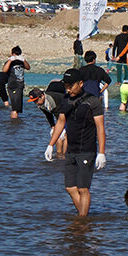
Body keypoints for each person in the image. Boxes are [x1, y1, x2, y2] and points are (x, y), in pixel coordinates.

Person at [44, 68, 106, 216]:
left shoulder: (93, 101)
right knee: (70, 187)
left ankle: (82, 221)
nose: (68, 89)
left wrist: (102, 153)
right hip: (70, 150)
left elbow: (100, 128)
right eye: (66, 86)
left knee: (83, 188)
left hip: (87, 150)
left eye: (71, 86)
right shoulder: (65, 100)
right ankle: (84, 218)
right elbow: (60, 122)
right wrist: (50, 145)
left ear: (80, 83)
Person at [28, 80, 68, 154]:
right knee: (55, 133)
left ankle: (64, 155)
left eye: (36, 100)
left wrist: (60, 128)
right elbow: (48, 114)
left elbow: (59, 116)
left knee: (65, 134)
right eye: (34, 101)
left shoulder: (51, 101)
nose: (36, 103)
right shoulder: (40, 104)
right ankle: (59, 154)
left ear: (42, 96)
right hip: (59, 113)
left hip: (67, 110)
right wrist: (52, 126)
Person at [3, 46, 30, 118]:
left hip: (19, 85)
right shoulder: (10, 62)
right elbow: (4, 70)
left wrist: (23, 60)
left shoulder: (21, 62)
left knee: (16, 106)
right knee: (14, 106)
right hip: (12, 85)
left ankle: (15, 122)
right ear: (12, 54)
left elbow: (28, 67)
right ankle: (15, 123)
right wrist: (10, 60)